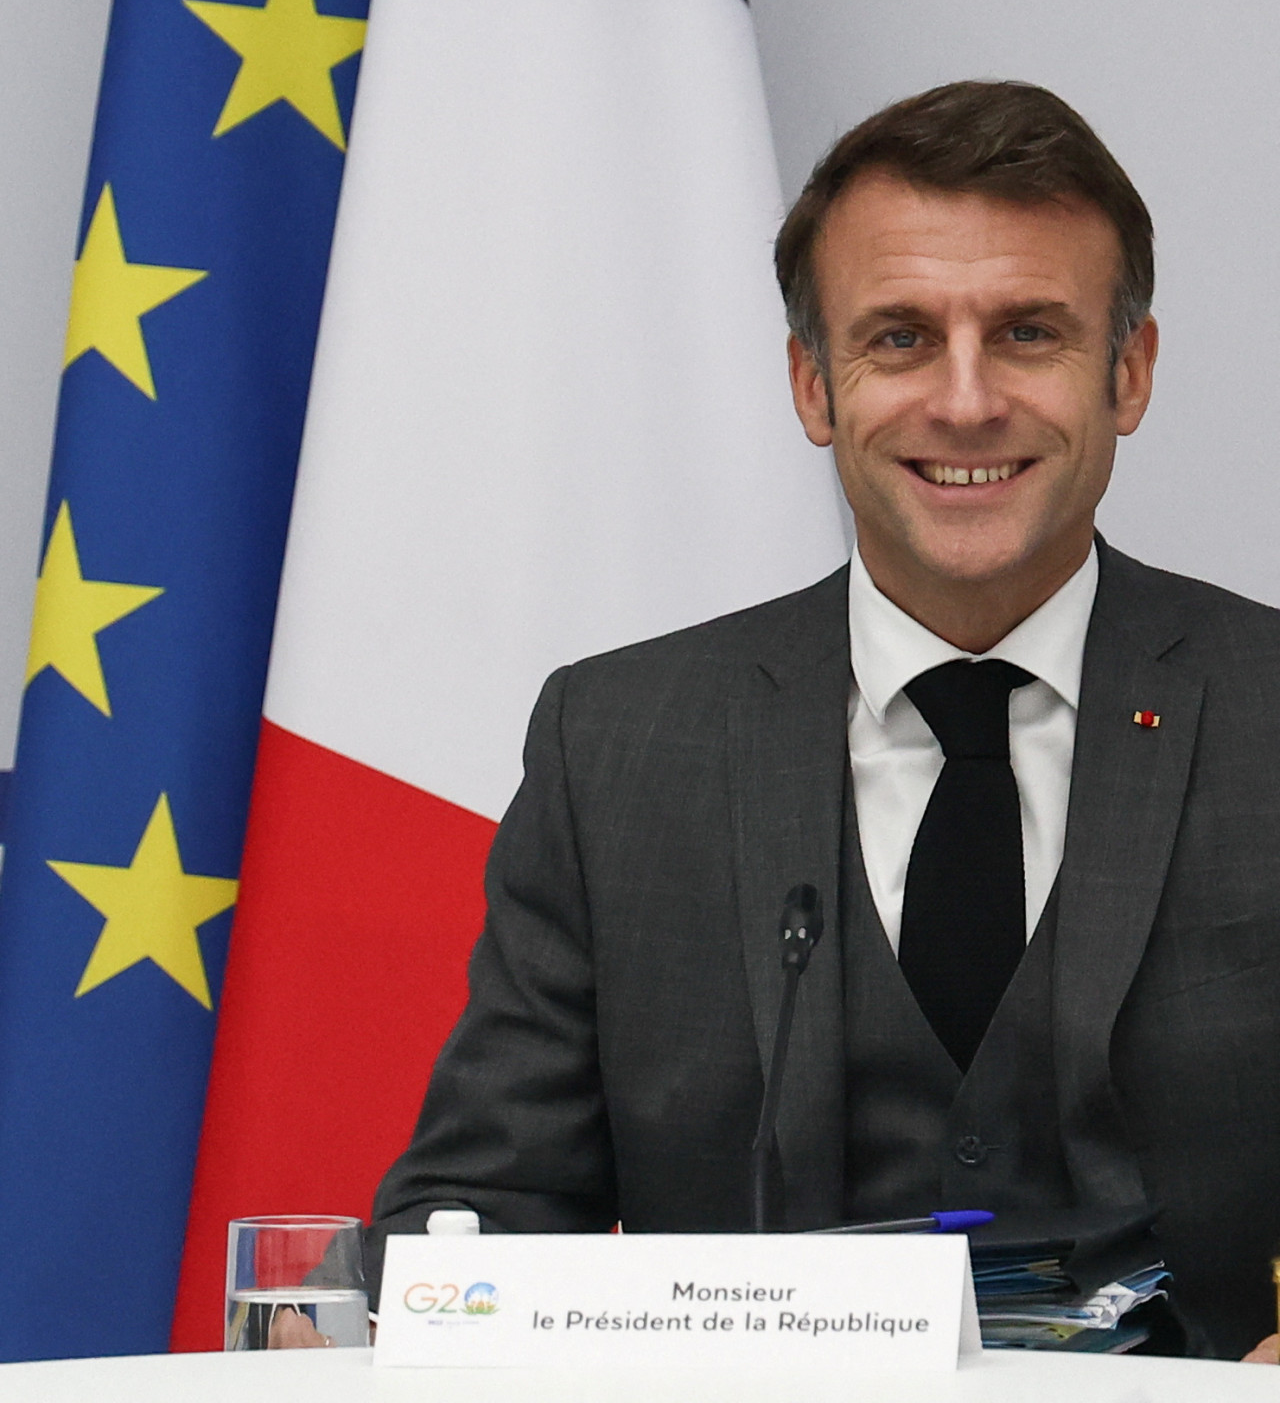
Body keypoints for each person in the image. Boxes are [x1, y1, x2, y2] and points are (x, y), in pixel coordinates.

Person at [367, 81, 1280, 1361]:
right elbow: (481, 1215)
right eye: (899, 339)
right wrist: (428, 1321)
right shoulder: (616, 743)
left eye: (1025, 333)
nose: (964, 403)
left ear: (1124, 373)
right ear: (812, 386)